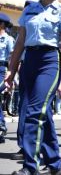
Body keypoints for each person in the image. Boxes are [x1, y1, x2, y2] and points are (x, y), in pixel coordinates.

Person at [6, 0, 61, 175]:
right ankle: (54, 164)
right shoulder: (29, 10)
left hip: (49, 62)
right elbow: (19, 43)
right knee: (40, 114)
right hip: (29, 62)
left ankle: (30, 166)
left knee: (35, 113)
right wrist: (12, 70)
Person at [0, 12, 14, 144]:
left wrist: (13, 75)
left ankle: (1, 125)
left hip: (3, 70)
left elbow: (12, 59)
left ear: (2, 24)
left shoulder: (9, 39)